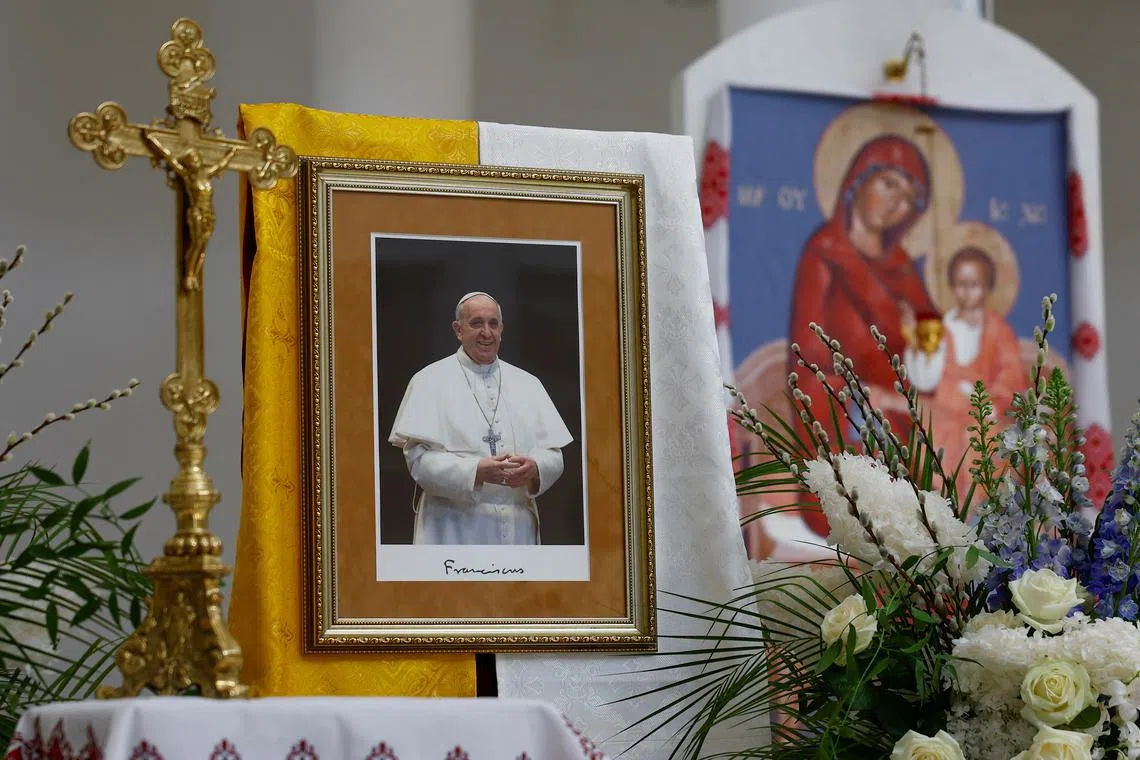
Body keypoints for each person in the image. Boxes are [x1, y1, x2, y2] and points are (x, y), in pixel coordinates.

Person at [787, 135, 939, 538]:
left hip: (896, 404)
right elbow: (808, 355)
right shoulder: (825, 252)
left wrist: (924, 338)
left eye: (908, 198)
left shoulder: (901, 264)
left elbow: (931, 336)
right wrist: (861, 392)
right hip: (842, 400)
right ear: (859, 180)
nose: (895, 203)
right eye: (889, 184)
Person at [388, 291, 573, 545]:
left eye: (493, 324)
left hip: (517, 529)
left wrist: (536, 467)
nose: (487, 332)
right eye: (476, 323)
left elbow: (555, 455)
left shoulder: (528, 383)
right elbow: (419, 461)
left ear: (501, 330)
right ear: (458, 329)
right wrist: (475, 471)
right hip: (451, 528)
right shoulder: (429, 380)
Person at [906, 246, 1028, 503]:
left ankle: (976, 510)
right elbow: (926, 378)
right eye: (961, 284)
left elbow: (1011, 372)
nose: (967, 291)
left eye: (974, 284)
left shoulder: (998, 330)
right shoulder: (942, 328)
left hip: (984, 409)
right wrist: (918, 348)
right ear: (951, 285)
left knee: (980, 440)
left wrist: (992, 401)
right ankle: (944, 505)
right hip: (946, 407)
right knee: (933, 433)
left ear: (988, 286)